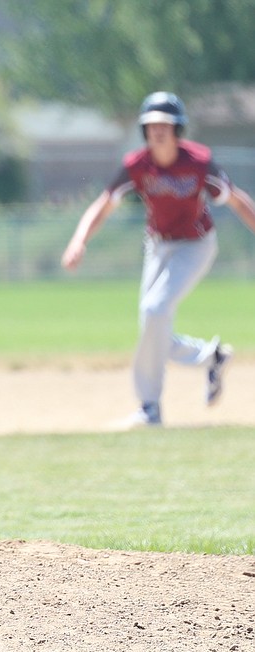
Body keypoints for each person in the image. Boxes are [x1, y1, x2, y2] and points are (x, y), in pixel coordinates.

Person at [61, 91, 253, 427]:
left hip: (195, 246)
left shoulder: (198, 162)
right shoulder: (137, 165)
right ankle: (211, 357)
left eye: (164, 124)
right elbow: (103, 204)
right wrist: (79, 240)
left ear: (178, 129)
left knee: (154, 312)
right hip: (158, 246)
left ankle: (150, 409)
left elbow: (237, 201)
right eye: (150, 125)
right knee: (152, 326)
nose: (157, 131)